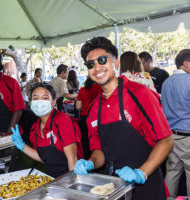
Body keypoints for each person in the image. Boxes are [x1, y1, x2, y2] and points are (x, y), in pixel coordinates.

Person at [74, 37, 173, 199]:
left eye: (102, 60)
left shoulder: (140, 94)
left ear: (116, 63)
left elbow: (166, 140)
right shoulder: (93, 109)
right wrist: (91, 162)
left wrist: (141, 172)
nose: (97, 67)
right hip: (115, 186)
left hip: (147, 181)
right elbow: (99, 150)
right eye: (91, 64)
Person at [11, 83, 83, 178]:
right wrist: (22, 146)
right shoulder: (34, 128)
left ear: (53, 102)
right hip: (51, 178)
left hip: (70, 176)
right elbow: (44, 158)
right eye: (35, 98)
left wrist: (72, 185)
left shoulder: (62, 120)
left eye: (45, 98)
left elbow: (72, 158)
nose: (39, 102)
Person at [162, 49, 190, 199]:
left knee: (172, 171)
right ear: (185, 63)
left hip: (170, 136)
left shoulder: (166, 83)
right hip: (187, 136)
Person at [76, 77, 101, 159]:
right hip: (98, 118)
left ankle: (87, 160)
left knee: (85, 141)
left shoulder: (82, 90)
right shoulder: (101, 88)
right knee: (98, 141)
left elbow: (78, 106)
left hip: (85, 119)